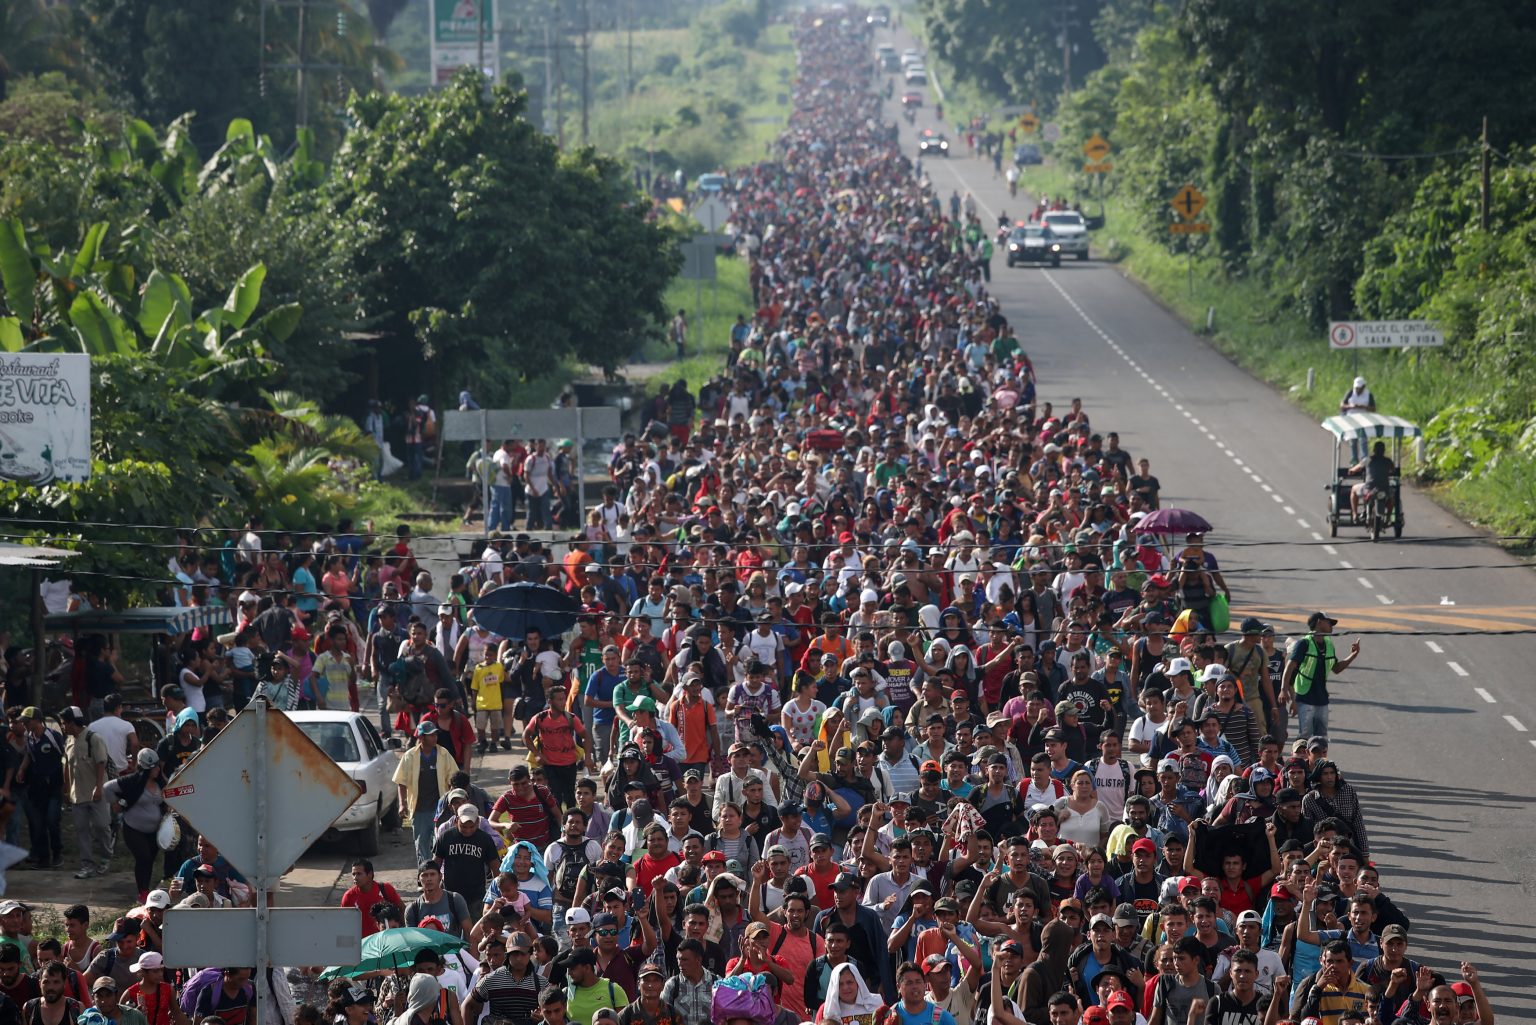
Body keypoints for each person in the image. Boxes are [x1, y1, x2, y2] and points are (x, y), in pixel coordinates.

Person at [1280, 612, 1360, 742]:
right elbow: (1290, 666)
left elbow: (1336, 668)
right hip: (1305, 696)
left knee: (1321, 739)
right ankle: (1300, 761)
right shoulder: (1304, 644)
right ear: (1319, 622)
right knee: (1304, 737)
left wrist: (1353, 655)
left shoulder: (1328, 644)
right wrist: (1283, 689)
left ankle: (1319, 762)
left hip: (1322, 698)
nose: (1331, 626)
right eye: (1329, 622)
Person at [1348, 441, 1396, 523]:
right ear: (1383, 450)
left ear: (1374, 450)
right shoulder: (1388, 461)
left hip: (1368, 489)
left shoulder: (1367, 459)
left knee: (1353, 489)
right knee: (1392, 497)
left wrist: (1351, 471)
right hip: (1384, 489)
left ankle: (1355, 514)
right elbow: (1393, 470)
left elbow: (1356, 469)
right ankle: (1388, 516)